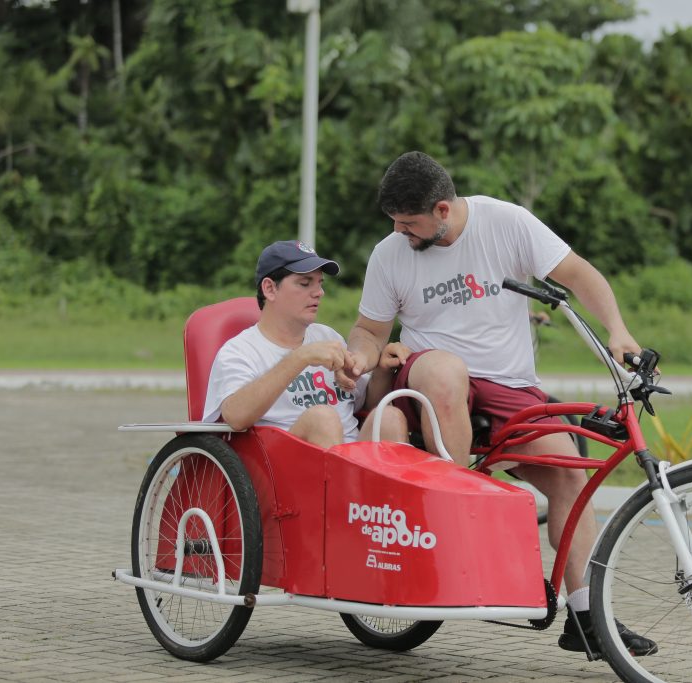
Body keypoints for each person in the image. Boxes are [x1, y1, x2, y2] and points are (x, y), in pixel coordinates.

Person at [343, 152, 657, 656]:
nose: (401, 233)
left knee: (571, 477)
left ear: (442, 210)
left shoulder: (506, 222)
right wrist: (359, 356)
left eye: (409, 224)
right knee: (446, 370)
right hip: (430, 372)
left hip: (509, 386)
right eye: (395, 224)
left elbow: (579, 274)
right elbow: (370, 329)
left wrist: (619, 332)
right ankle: (457, 524)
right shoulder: (390, 254)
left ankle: (585, 616)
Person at [203, 239, 409, 447]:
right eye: (305, 283)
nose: (319, 292)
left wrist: (383, 369)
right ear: (270, 288)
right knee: (322, 419)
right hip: (284, 466)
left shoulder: (327, 336)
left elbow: (365, 404)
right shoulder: (240, 351)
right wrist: (300, 357)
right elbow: (235, 415)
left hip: (353, 460)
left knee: (389, 416)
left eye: (320, 283)